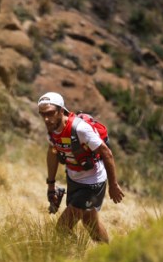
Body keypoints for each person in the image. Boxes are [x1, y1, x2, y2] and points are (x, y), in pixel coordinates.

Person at [38, 91, 125, 243]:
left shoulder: (80, 129)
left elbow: (106, 153)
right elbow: (53, 153)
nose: (46, 119)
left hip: (93, 183)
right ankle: (109, 252)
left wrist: (113, 185)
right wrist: (51, 185)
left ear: (61, 110)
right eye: (42, 114)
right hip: (74, 179)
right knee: (90, 223)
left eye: (50, 113)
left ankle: (75, 250)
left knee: (62, 228)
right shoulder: (52, 130)